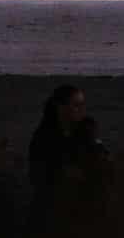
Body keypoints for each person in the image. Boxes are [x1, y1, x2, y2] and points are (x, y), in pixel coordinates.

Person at [28, 84, 87, 215]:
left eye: (82, 105)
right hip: (53, 204)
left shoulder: (80, 134)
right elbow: (37, 175)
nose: (82, 110)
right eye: (76, 105)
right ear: (61, 107)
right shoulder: (45, 137)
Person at [65, 116, 116, 223]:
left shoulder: (94, 146)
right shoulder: (94, 146)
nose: (93, 132)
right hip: (89, 189)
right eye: (91, 130)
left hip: (91, 188)